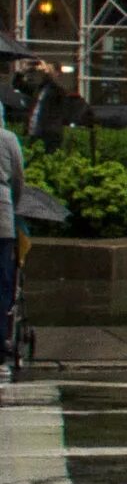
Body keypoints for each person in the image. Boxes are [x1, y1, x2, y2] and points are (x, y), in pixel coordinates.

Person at [0, 116, 23, 379]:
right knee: (4, 281)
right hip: (2, 217)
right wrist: (14, 206)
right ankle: (1, 338)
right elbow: (18, 178)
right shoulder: (8, 139)